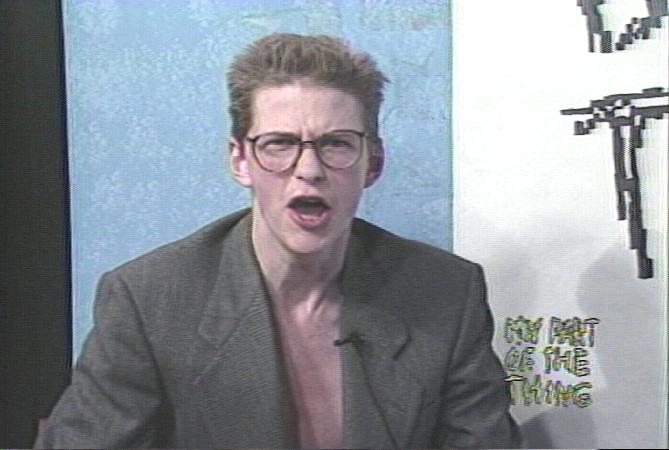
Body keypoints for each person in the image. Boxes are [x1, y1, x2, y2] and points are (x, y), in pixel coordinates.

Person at [35, 33, 520, 449]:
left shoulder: (445, 293)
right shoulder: (149, 300)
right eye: (279, 144)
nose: (308, 170)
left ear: (372, 163)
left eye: (336, 144)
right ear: (240, 161)